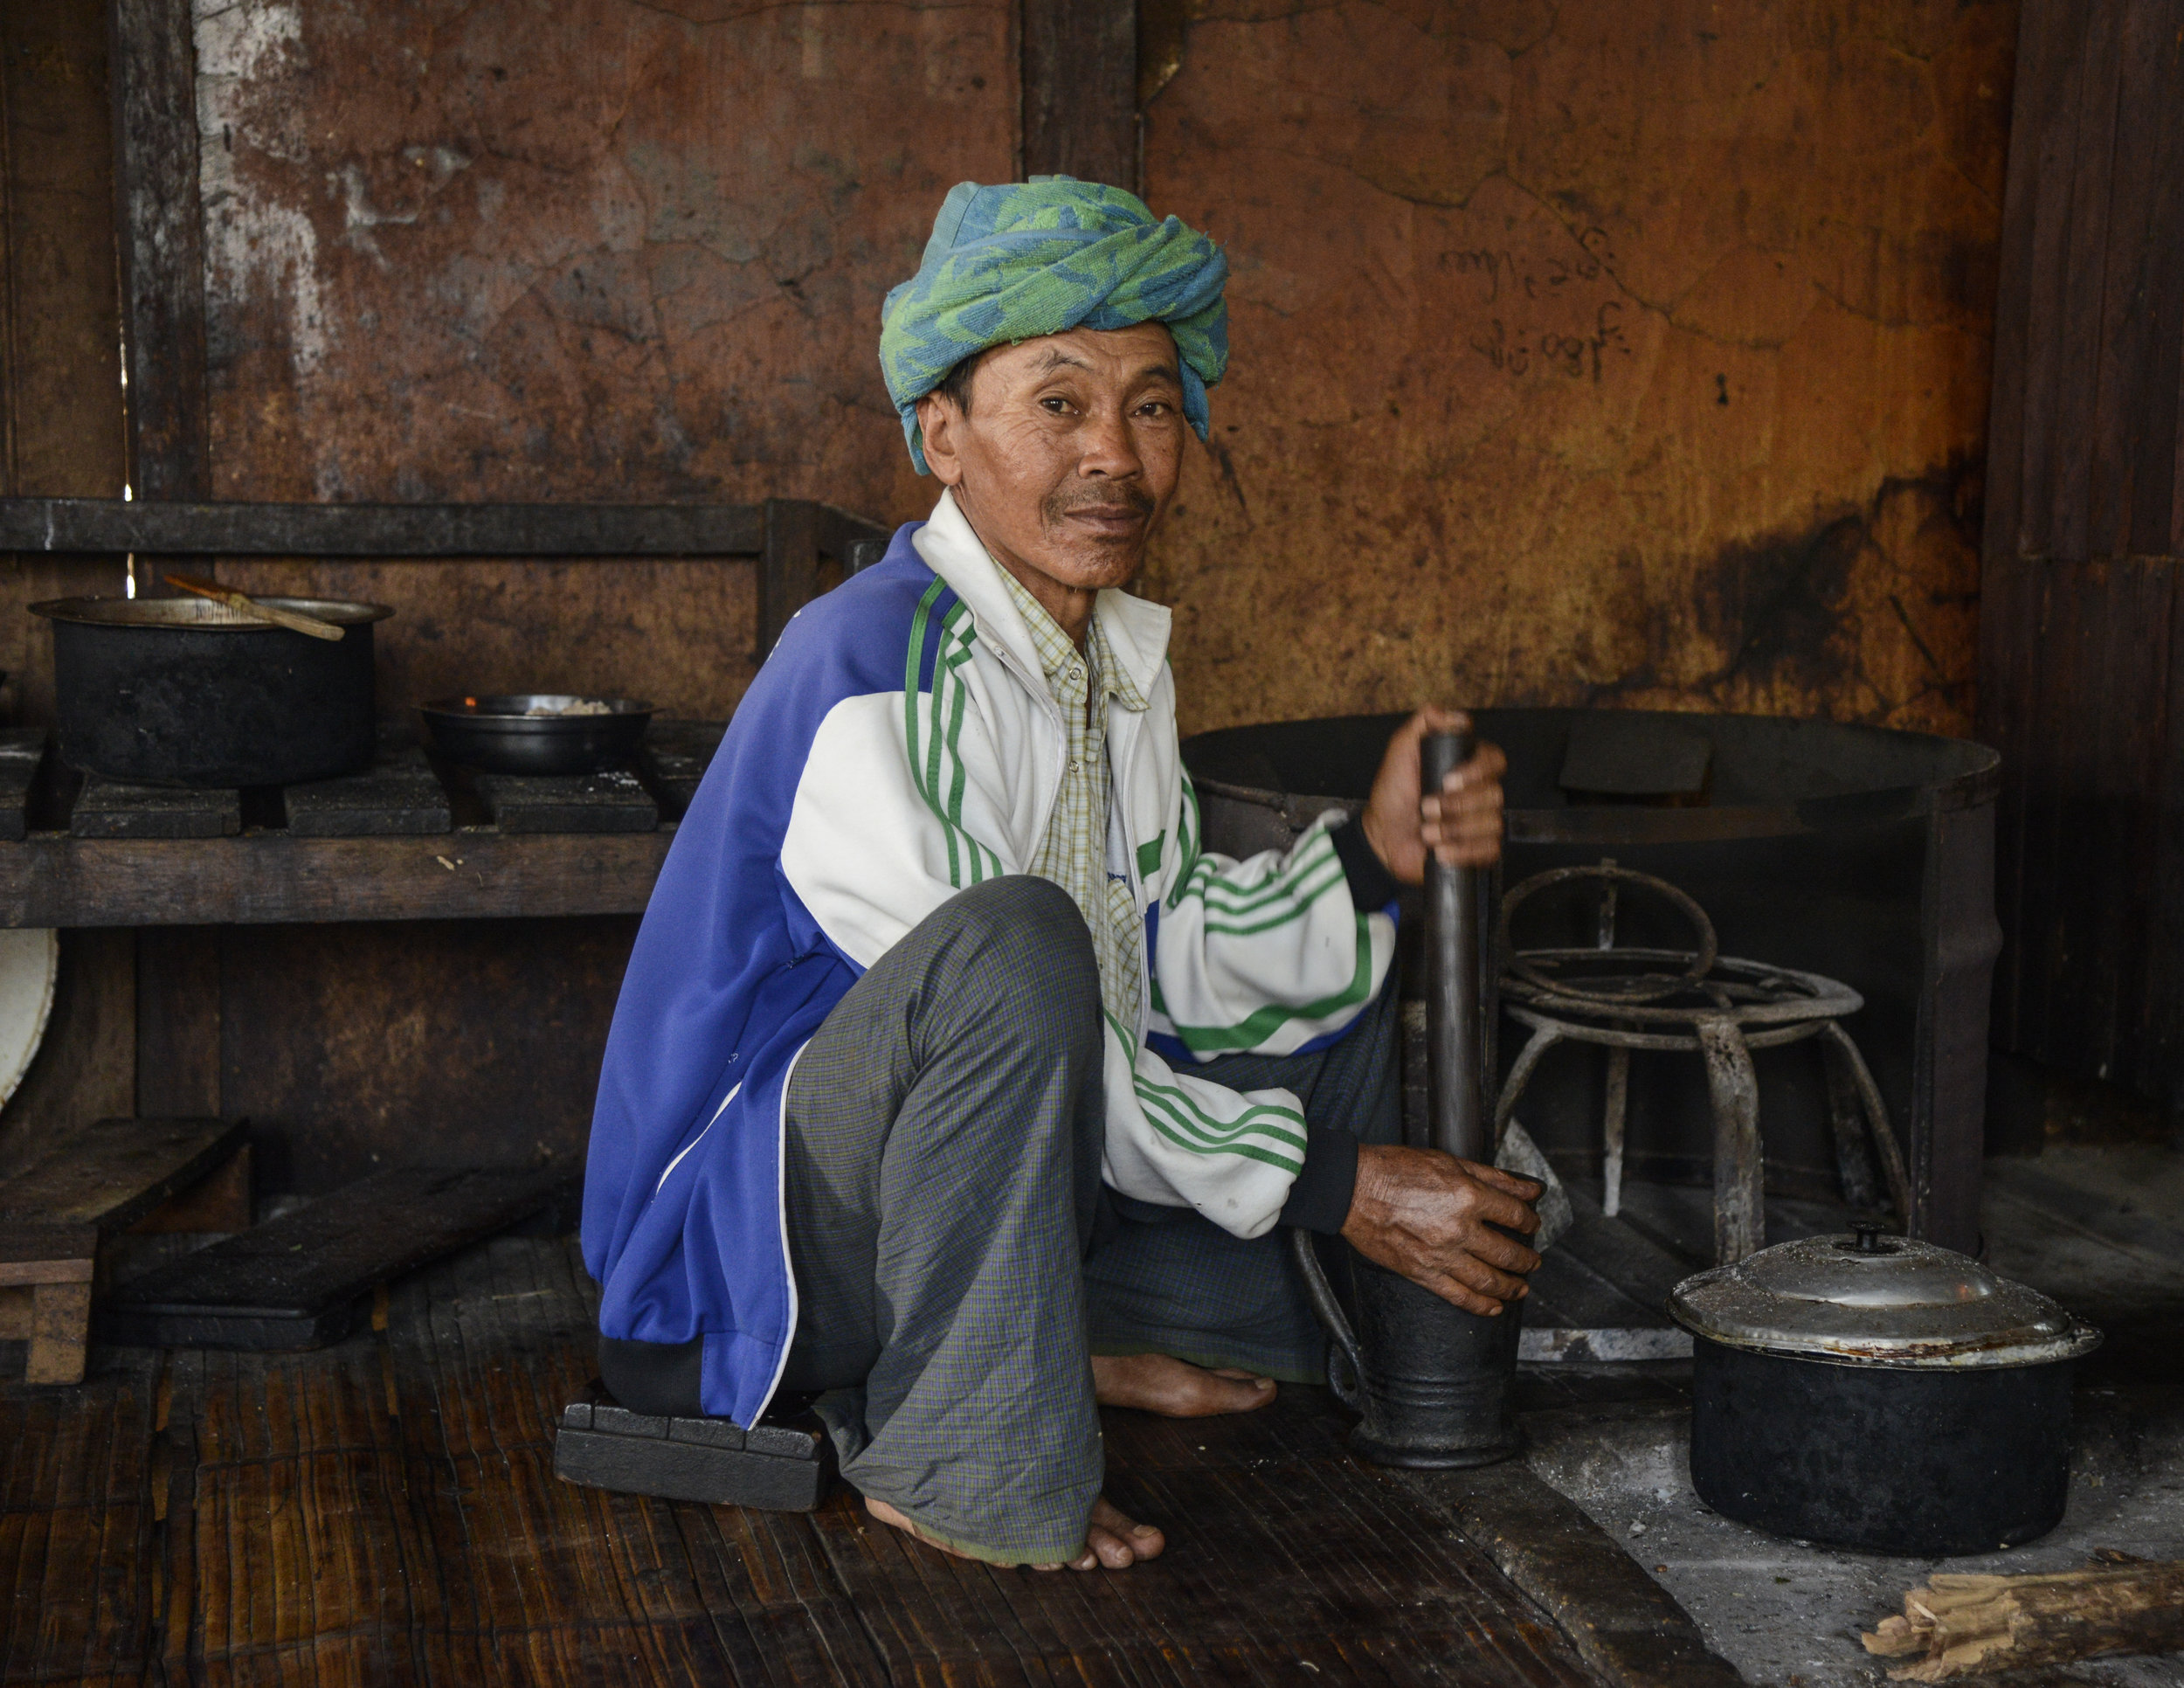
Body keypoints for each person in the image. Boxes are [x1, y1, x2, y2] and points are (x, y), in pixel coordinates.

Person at [582, 176, 1541, 1573]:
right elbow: (1020, 997)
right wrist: (1337, 1182)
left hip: (955, 1201)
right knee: (1019, 944)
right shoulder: (874, 664)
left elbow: (1162, 959)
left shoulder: (1106, 662)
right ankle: (958, 1445)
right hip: (731, 1275)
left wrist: (1376, 868)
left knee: (1311, 1130)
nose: (1117, 453)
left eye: (1152, 406)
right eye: (1060, 403)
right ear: (945, 437)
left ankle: (1058, 1333)